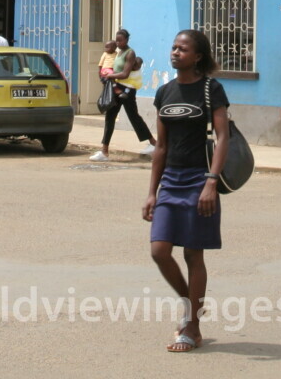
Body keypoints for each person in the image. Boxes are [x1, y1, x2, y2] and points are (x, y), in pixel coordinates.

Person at [144, 29, 228, 353]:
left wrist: (211, 182)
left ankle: (192, 326)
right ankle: (190, 302)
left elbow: (223, 139)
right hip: (171, 181)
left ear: (198, 57)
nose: (176, 52)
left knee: (193, 253)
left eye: (183, 48)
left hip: (198, 179)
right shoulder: (165, 92)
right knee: (159, 250)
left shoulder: (211, 90)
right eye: (174, 47)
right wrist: (152, 192)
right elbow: (161, 146)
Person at [91, 29, 154, 161]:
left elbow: (125, 73)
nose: (118, 43)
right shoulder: (118, 53)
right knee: (110, 117)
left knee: (133, 116)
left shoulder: (130, 53)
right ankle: (104, 151)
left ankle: (154, 144)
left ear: (126, 40)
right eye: (117, 40)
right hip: (117, 88)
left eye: (120, 40)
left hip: (127, 90)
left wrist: (110, 75)